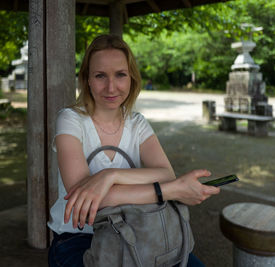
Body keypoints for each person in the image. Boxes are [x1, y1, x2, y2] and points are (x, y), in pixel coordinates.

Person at [47, 34, 220, 267]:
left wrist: (110, 176)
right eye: (100, 76)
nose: (111, 87)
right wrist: (169, 191)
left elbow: (164, 172)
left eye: (120, 75)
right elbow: (85, 200)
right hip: (79, 236)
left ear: (132, 79)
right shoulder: (70, 119)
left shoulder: (137, 123)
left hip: (137, 227)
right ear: (87, 79)